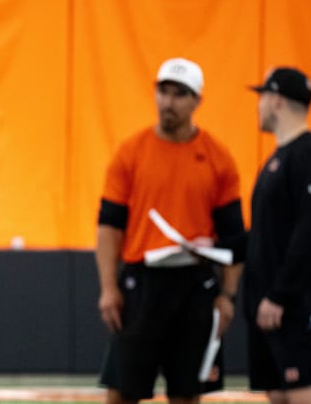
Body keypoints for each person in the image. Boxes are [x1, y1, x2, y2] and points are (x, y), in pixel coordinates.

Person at [95, 57, 246, 404]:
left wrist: (227, 296)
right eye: (163, 91)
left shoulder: (217, 157)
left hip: (195, 285)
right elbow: (109, 226)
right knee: (121, 391)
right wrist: (108, 287)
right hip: (142, 283)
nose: (168, 102)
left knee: (187, 391)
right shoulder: (131, 153)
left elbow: (235, 239)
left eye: (180, 94)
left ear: (197, 101)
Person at [244, 67, 311, 404]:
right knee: (279, 394)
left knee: (303, 393)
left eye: (262, 98)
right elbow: (265, 236)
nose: (257, 106)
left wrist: (280, 294)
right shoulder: (277, 159)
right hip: (268, 305)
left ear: (277, 101)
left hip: (296, 306)